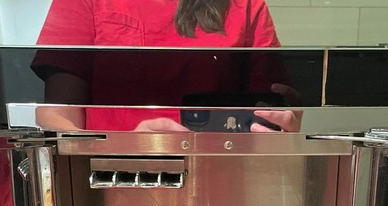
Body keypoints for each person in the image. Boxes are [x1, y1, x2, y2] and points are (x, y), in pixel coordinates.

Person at [30, 0, 301, 132]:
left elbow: (275, 113)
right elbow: (56, 116)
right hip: (110, 180)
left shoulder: (246, 5)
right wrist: (127, 148)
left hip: (219, 180)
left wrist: (285, 125)